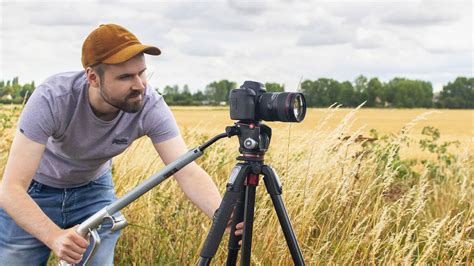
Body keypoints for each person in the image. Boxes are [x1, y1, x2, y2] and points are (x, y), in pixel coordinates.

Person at [0, 23, 243, 265]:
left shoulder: (149, 104)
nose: (139, 84)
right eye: (125, 76)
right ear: (93, 78)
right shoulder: (52, 99)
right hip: (36, 192)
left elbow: (186, 170)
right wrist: (54, 237)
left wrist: (222, 215)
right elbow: (11, 188)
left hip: (93, 192)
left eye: (141, 72)